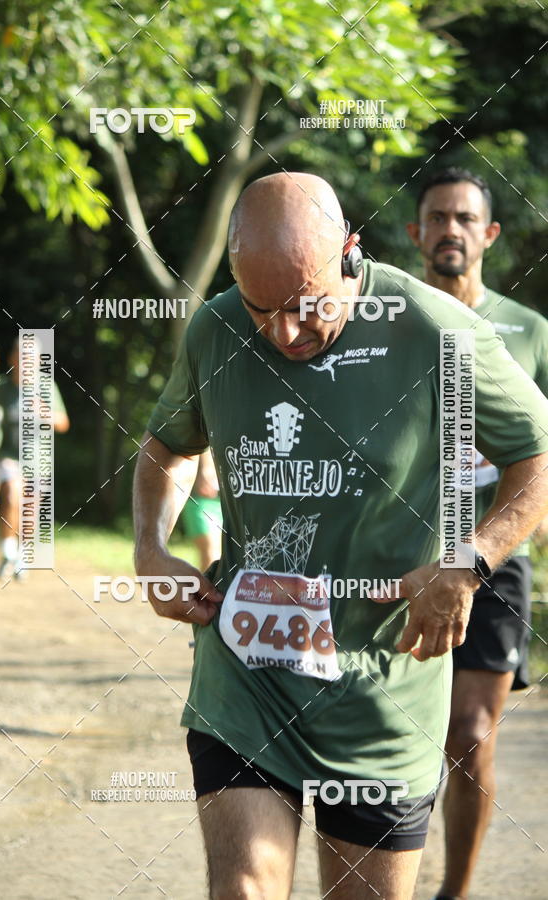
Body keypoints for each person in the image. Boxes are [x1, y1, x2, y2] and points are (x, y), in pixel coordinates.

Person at [133, 172, 548, 899]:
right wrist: (149, 545)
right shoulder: (218, 329)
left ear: (349, 253)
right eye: (263, 309)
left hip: (382, 686)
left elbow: (535, 455)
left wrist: (467, 563)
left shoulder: (432, 330)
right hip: (249, 674)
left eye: (305, 305)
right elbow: (169, 445)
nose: (285, 332)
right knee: (243, 888)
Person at [406, 167, 548, 900]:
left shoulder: (529, 331)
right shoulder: (389, 319)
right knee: (389, 737)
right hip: (400, 554)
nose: (451, 230)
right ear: (416, 233)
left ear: (489, 234)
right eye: (438, 218)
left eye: (466, 218)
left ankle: (453, 893)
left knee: (467, 736)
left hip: (493, 559)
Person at [0, 338, 69, 578]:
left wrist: (43, 412)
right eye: (21, 355)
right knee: (12, 496)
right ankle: (7, 552)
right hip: (8, 456)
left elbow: (63, 423)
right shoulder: (2, 389)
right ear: (12, 358)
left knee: (30, 510)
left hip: (37, 460)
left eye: (31, 357)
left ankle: (22, 556)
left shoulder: (46, 386)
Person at [181, 448, 222, 571]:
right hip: (200, 497)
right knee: (211, 555)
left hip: (228, 498)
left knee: (222, 558)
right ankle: (205, 590)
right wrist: (206, 467)